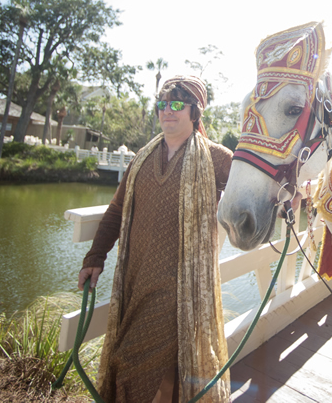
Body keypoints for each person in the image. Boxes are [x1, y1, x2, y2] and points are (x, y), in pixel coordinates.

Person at [78, 75, 232, 403]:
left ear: (196, 112)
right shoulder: (141, 159)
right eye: (163, 104)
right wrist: (95, 256)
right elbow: (117, 210)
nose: (168, 111)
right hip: (136, 282)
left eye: (178, 104)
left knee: (129, 362)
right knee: (173, 368)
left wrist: (290, 194)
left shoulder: (217, 159)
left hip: (182, 288)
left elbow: (255, 185)